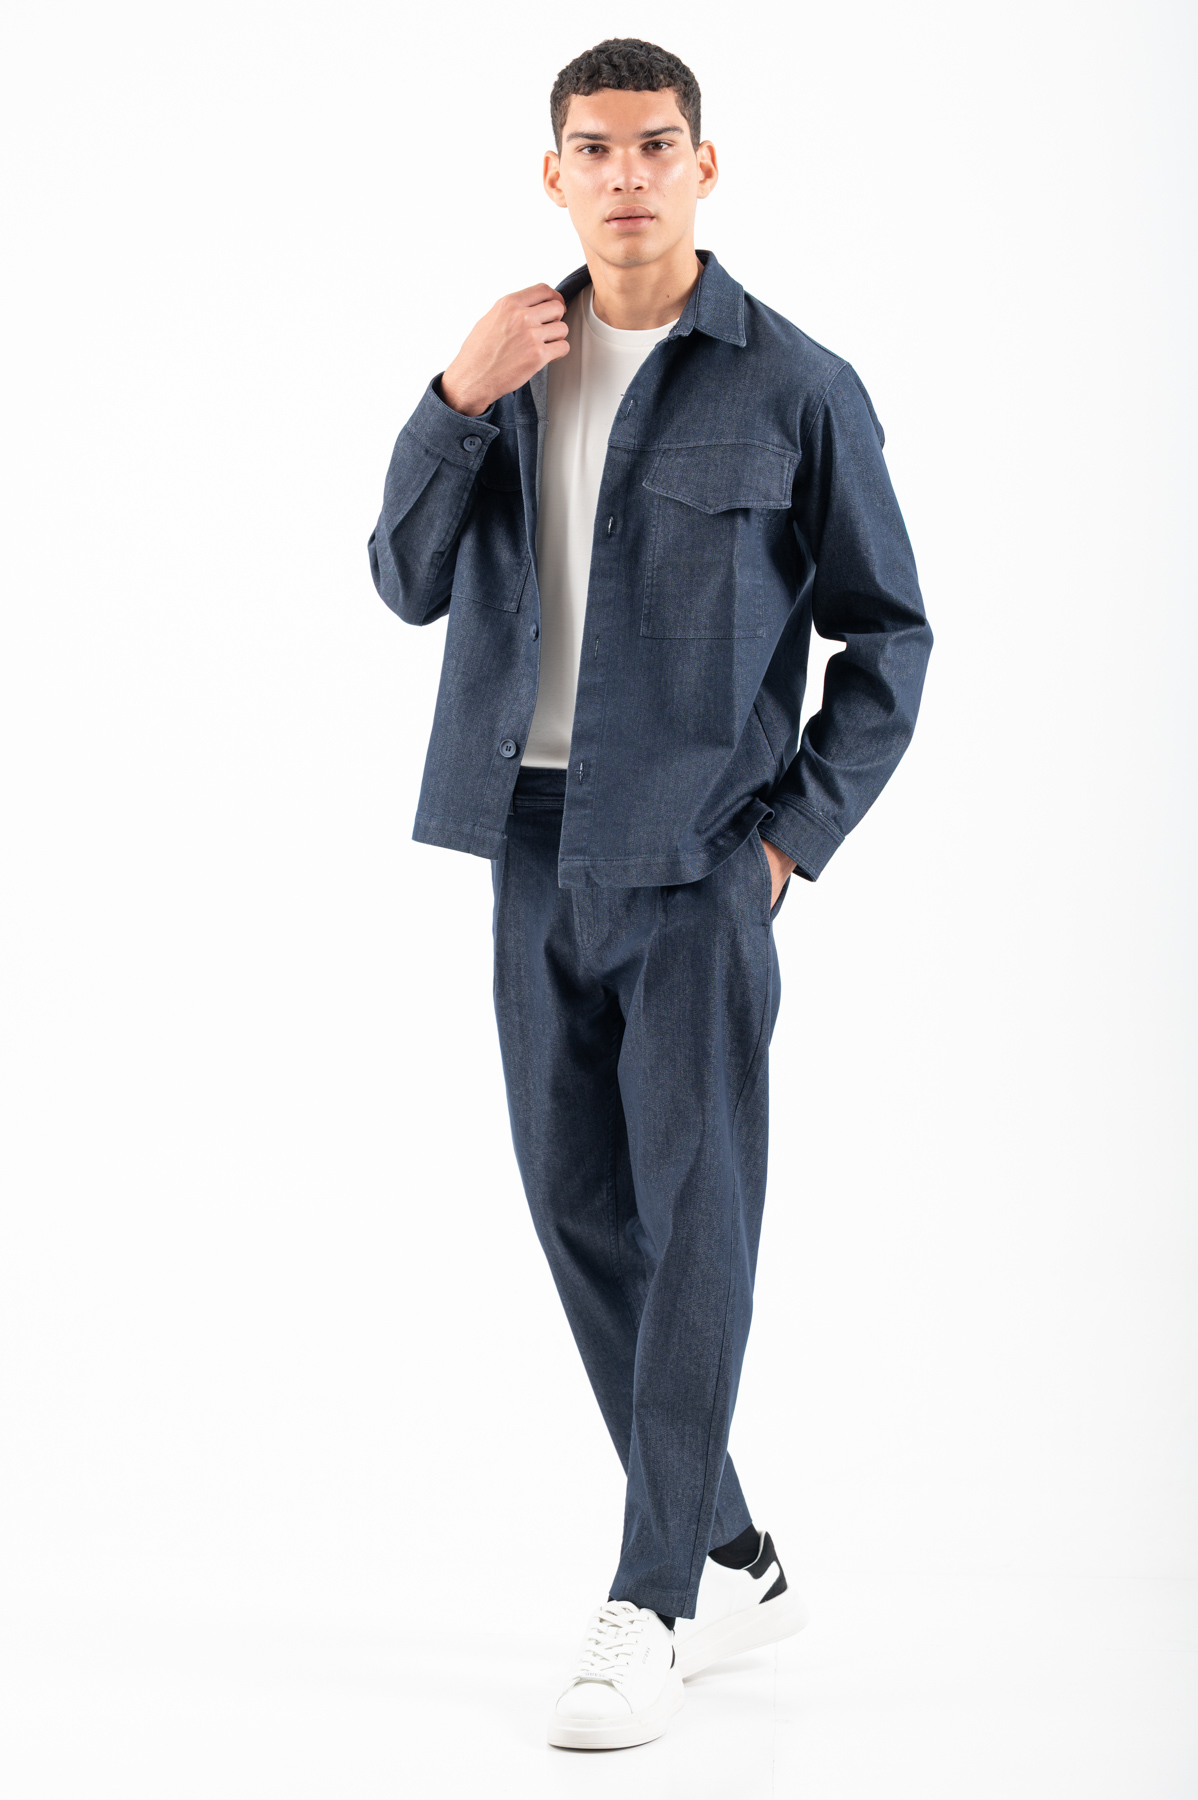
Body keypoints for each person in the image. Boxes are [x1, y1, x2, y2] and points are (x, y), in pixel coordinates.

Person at [369, 37, 932, 1752]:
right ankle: (737, 1550)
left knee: (694, 1226)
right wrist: (449, 399)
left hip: (695, 866)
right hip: (525, 844)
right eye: (595, 149)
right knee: (578, 1213)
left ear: (704, 165)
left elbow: (889, 640)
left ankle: (654, 1600)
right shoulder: (504, 364)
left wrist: (785, 842)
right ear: (553, 175)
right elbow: (401, 581)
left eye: (656, 144)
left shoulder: (798, 388)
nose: (627, 174)